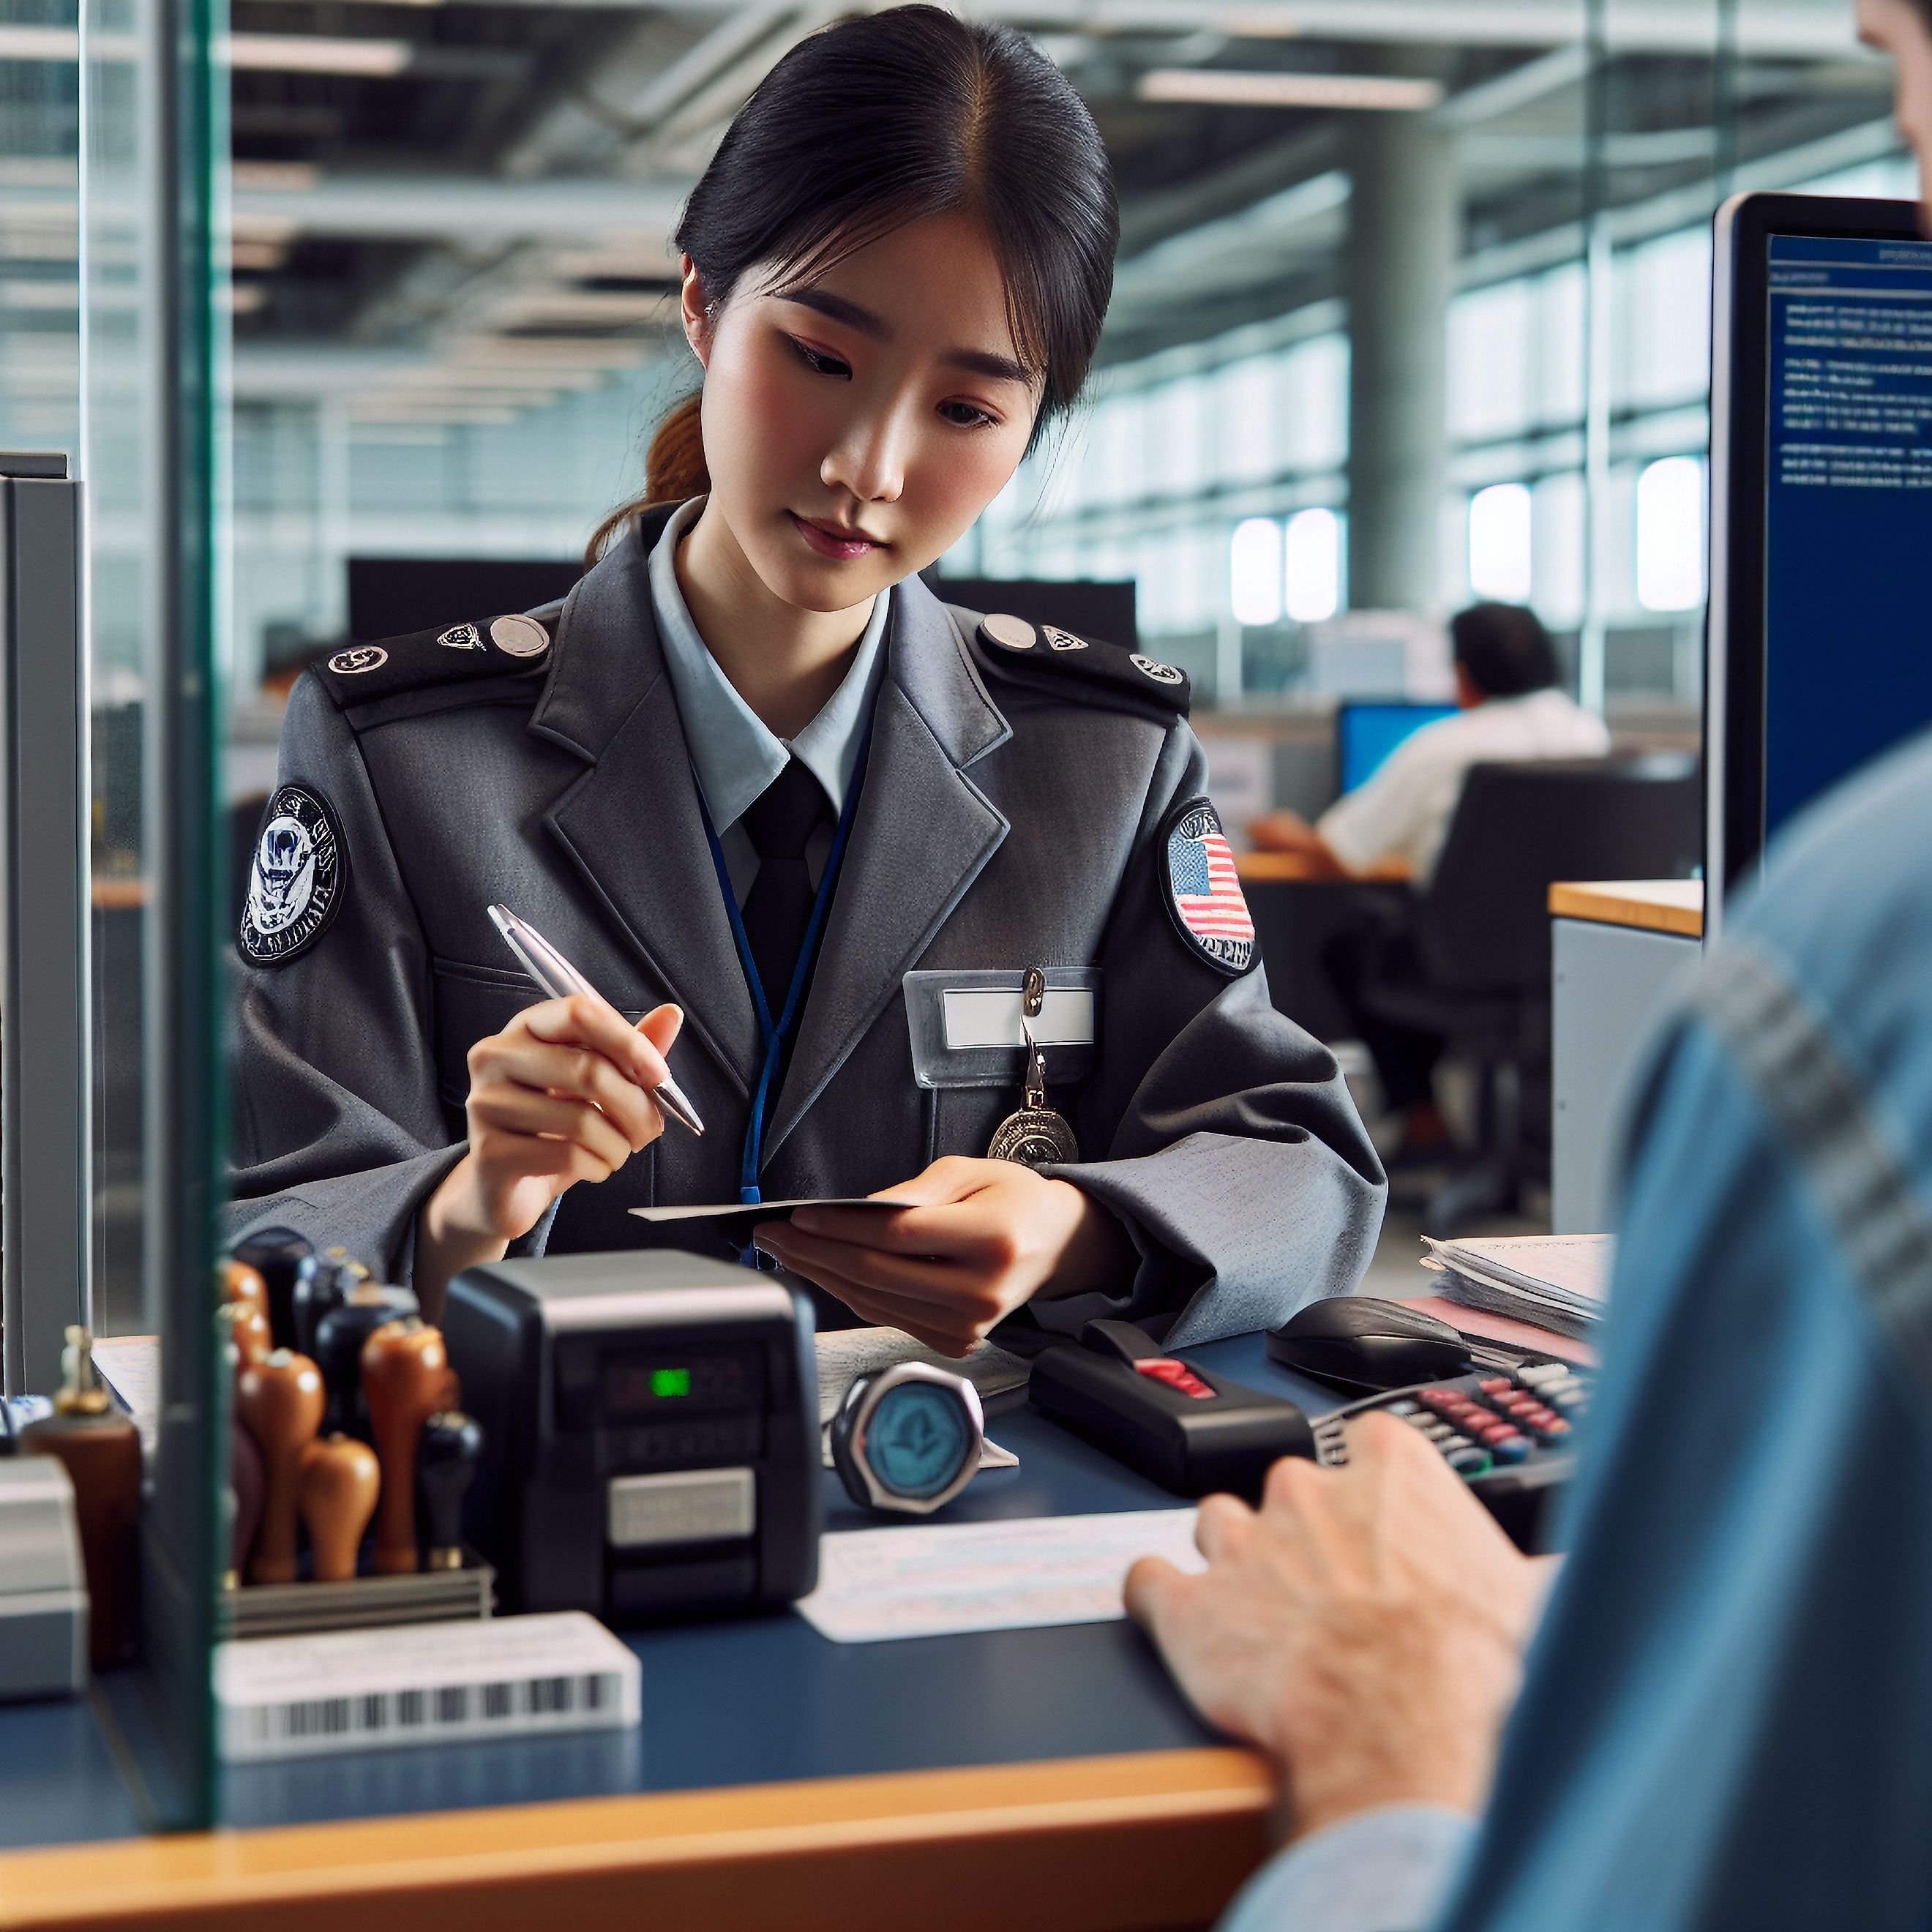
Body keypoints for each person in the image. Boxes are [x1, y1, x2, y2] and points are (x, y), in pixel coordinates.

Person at [225, 6, 1386, 1350]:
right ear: (704, 303)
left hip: (973, 1507)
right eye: (821, 359)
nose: (869, 469)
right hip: (553, 1519)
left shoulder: (1108, 765)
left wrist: (1079, 1229)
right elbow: (270, 1233)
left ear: (1032, 426)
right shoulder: (403, 756)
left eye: (965, 409)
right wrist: (465, 1206)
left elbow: (1302, 1170)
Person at [1126, 12, 1932, 1920]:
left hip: (1428, 990)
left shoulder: (1858, 963)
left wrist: (1400, 1734)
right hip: (1545, 979)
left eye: (1909, 86)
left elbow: (1342, 864)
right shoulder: (1594, 741)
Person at [1249, 603, 1609, 889]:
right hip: (1568, 949)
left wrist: (1282, 833)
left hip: (1459, 953)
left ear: (1464, 674)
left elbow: (1341, 854)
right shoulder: (1591, 736)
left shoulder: (1446, 746)